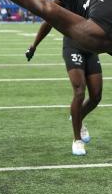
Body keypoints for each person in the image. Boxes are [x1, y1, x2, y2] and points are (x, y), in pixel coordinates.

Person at [26, 15, 102, 156]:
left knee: (96, 96)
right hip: (73, 46)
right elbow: (49, 20)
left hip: (91, 47)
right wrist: (34, 45)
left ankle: (77, 117)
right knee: (79, 92)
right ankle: (77, 140)